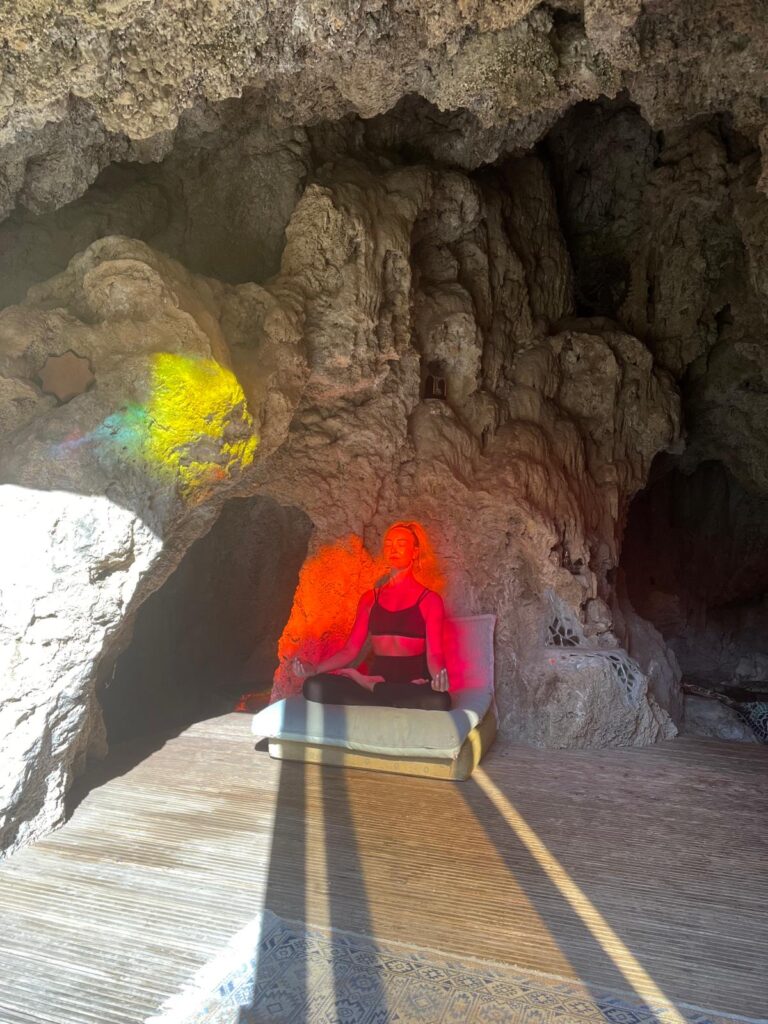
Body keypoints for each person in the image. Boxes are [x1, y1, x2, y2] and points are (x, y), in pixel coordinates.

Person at [293, 522, 451, 710]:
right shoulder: (370, 599)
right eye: (388, 544)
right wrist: (315, 669)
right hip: (381, 678)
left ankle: (371, 687)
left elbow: (434, 653)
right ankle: (381, 692)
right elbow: (350, 650)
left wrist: (438, 679)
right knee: (313, 686)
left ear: (415, 552)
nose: (393, 548)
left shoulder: (430, 600)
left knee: (441, 701)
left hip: (410, 683)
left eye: (401, 544)